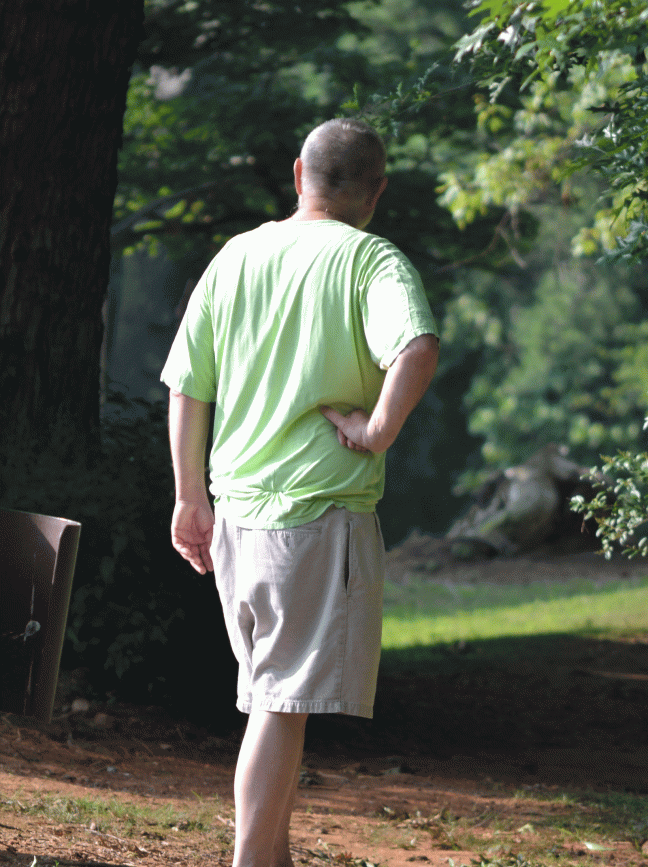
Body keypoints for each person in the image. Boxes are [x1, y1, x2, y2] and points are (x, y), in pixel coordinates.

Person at [161, 118, 439, 867]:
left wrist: (191, 497)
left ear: (298, 175)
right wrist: (378, 431)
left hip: (236, 517)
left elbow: (188, 387)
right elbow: (415, 347)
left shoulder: (236, 257)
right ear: (377, 190)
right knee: (281, 707)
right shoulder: (370, 261)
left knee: (270, 700)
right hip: (315, 517)